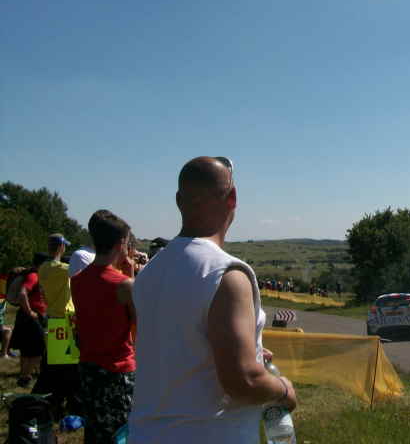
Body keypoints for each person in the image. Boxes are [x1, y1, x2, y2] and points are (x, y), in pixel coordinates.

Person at [129, 157, 297, 443]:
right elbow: (244, 381)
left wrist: (250, 349)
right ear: (232, 198)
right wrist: (283, 389)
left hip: (146, 433)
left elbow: (177, 346)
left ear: (179, 201)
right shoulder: (226, 273)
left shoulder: (150, 272)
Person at [71, 210, 137, 443]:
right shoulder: (124, 285)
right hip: (118, 370)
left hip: (89, 367)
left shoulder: (77, 280)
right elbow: (139, 323)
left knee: (95, 429)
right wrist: (131, 276)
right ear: (121, 244)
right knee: (121, 433)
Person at [32, 234, 82, 419]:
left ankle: (55, 401)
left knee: (56, 363)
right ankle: (64, 403)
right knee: (67, 366)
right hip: (65, 319)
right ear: (61, 247)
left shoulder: (43, 268)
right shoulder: (62, 269)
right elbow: (82, 272)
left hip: (53, 317)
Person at [9, 255, 49, 387]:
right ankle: (26, 376)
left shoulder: (31, 274)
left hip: (25, 316)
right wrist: (30, 312)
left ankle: (23, 376)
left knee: (26, 349)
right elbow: (23, 293)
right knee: (39, 348)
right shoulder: (34, 276)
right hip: (31, 316)